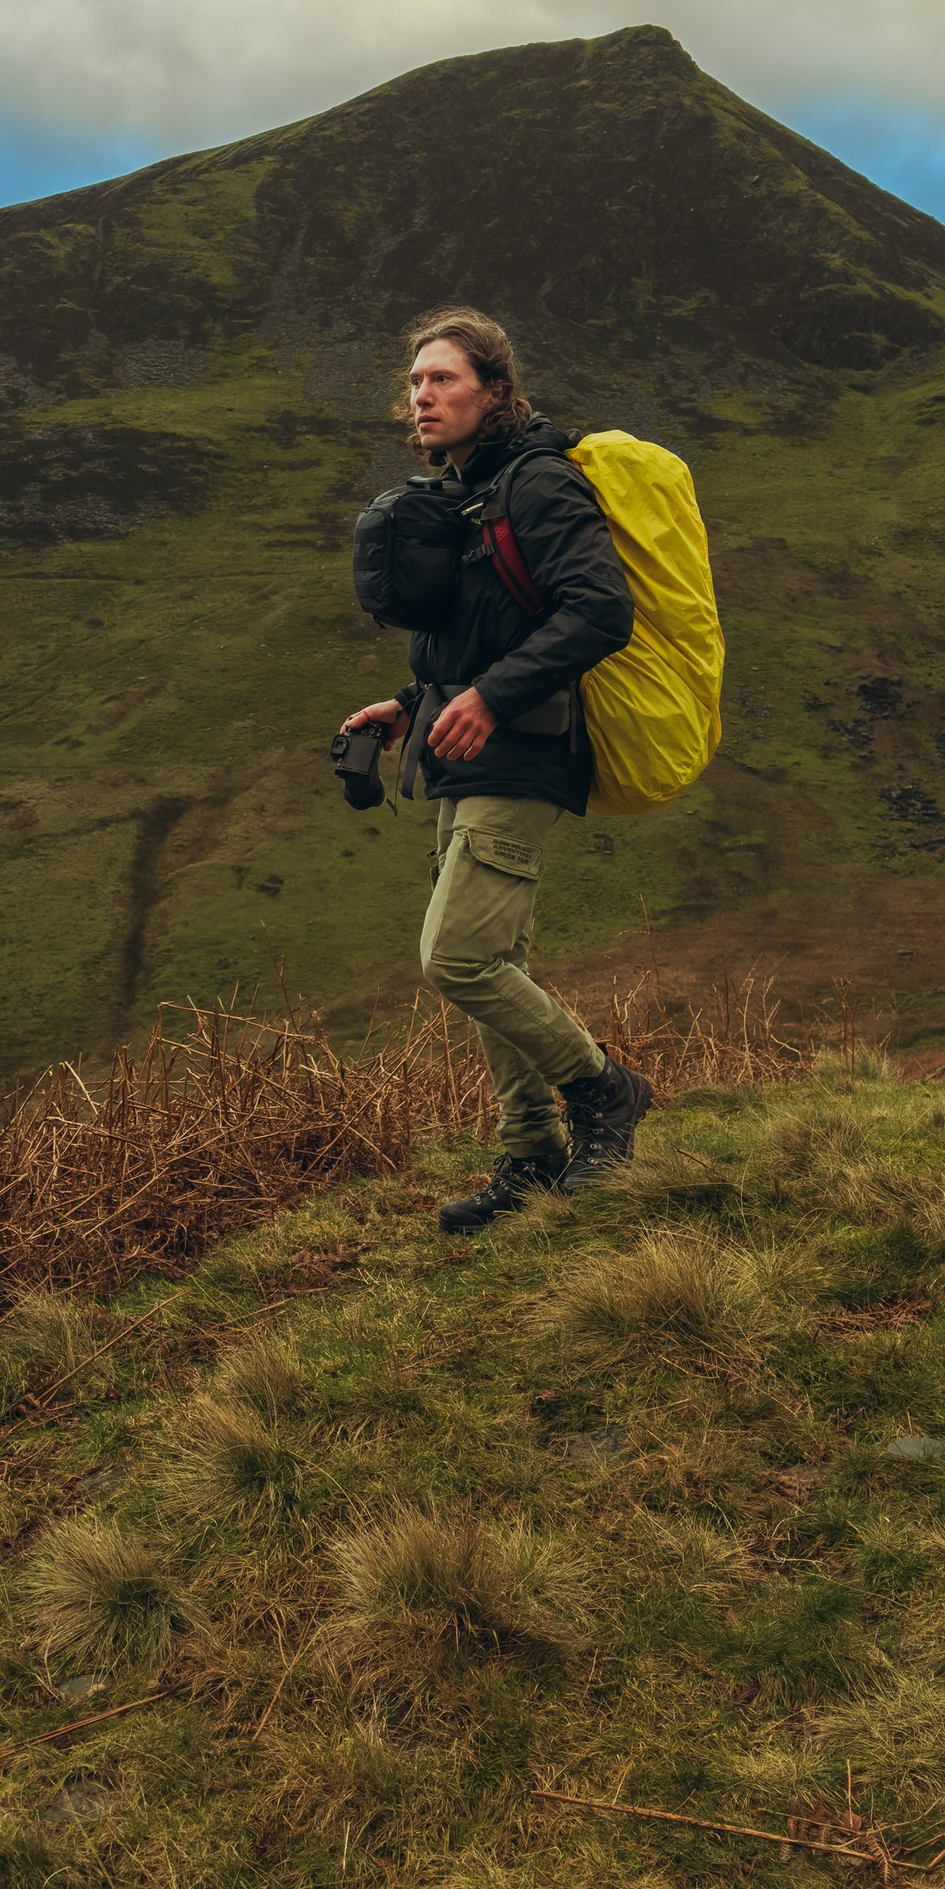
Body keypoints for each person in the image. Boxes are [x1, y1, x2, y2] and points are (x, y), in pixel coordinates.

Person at [340, 308, 653, 1233]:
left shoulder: (539, 484)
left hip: (525, 749)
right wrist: (413, 701)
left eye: (443, 380)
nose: (423, 396)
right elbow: (483, 632)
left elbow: (600, 610)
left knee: (458, 958)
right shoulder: (473, 494)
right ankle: (532, 1154)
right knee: (496, 960)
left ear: (495, 391)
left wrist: (493, 698)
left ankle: (605, 1092)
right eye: (415, 383)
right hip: (463, 751)